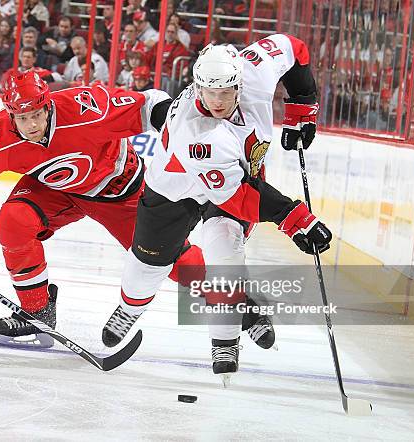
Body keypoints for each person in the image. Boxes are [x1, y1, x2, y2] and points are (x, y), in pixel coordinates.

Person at [0, 70, 203, 341]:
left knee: (177, 264)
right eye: (22, 118)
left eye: (36, 114)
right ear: (10, 115)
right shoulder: (0, 136)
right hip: (56, 191)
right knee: (13, 220)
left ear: (48, 105)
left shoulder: (87, 107)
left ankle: (241, 304)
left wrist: (186, 136)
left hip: (119, 192)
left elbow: (150, 104)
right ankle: (38, 312)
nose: (31, 125)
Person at [101, 35, 331, 385]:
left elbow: (293, 47)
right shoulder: (197, 132)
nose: (218, 101)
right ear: (197, 86)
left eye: (226, 92)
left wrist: (303, 107)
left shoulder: (255, 69)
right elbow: (237, 197)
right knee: (148, 263)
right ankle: (130, 308)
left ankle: (224, 341)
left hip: (235, 176)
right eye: (210, 92)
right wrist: (296, 219)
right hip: (176, 186)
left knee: (226, 251)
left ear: (240, 82)